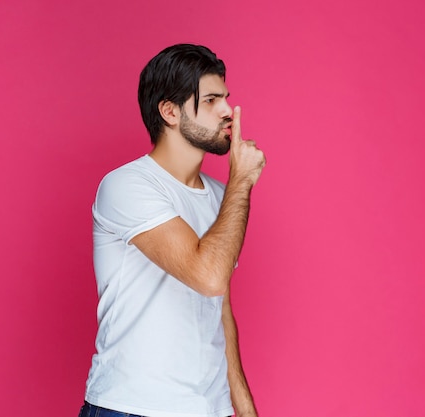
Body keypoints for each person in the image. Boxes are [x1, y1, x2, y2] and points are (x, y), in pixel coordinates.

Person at [80, 44, 265, 417]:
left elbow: (219, 307)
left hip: (209, 410)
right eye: (211, 100)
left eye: (226, 98)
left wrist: (244, 409)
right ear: (170, 112)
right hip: (131, 408)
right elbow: (209, 277)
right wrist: (242, 180)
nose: (228, 110)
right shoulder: (127, 186)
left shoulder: (219, 196)